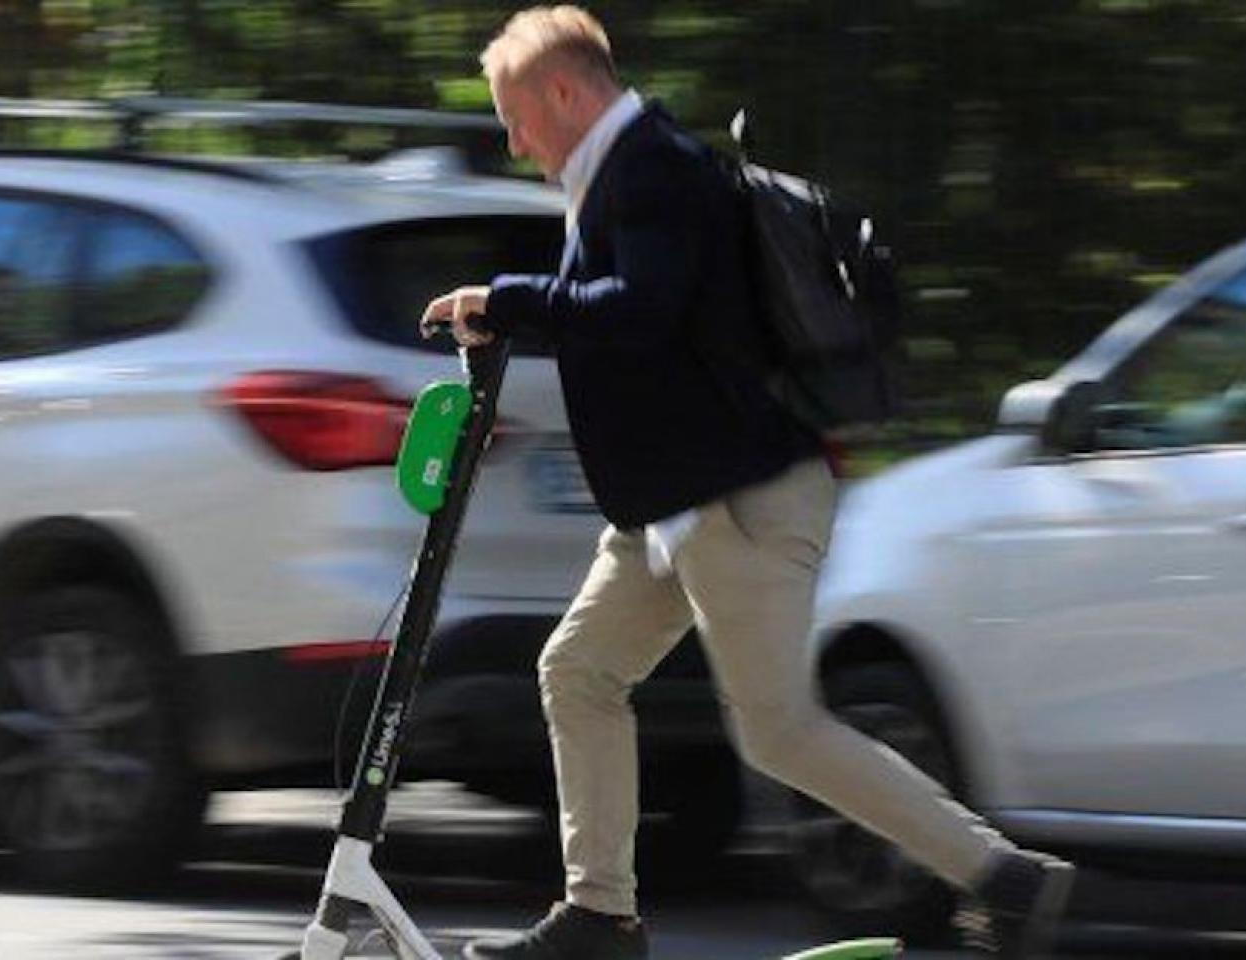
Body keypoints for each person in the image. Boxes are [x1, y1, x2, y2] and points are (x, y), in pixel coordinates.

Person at [419, 7, 1075, 959]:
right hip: (678, 506)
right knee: (578, 671)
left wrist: (508, 299)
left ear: (563, 92)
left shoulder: (655, 170)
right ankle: (599, 916)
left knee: (778, 731)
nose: (516, 143)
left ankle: (1002, 877)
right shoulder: (625, 171)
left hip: (740, 505)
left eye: (516, 118)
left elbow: (638, 312)